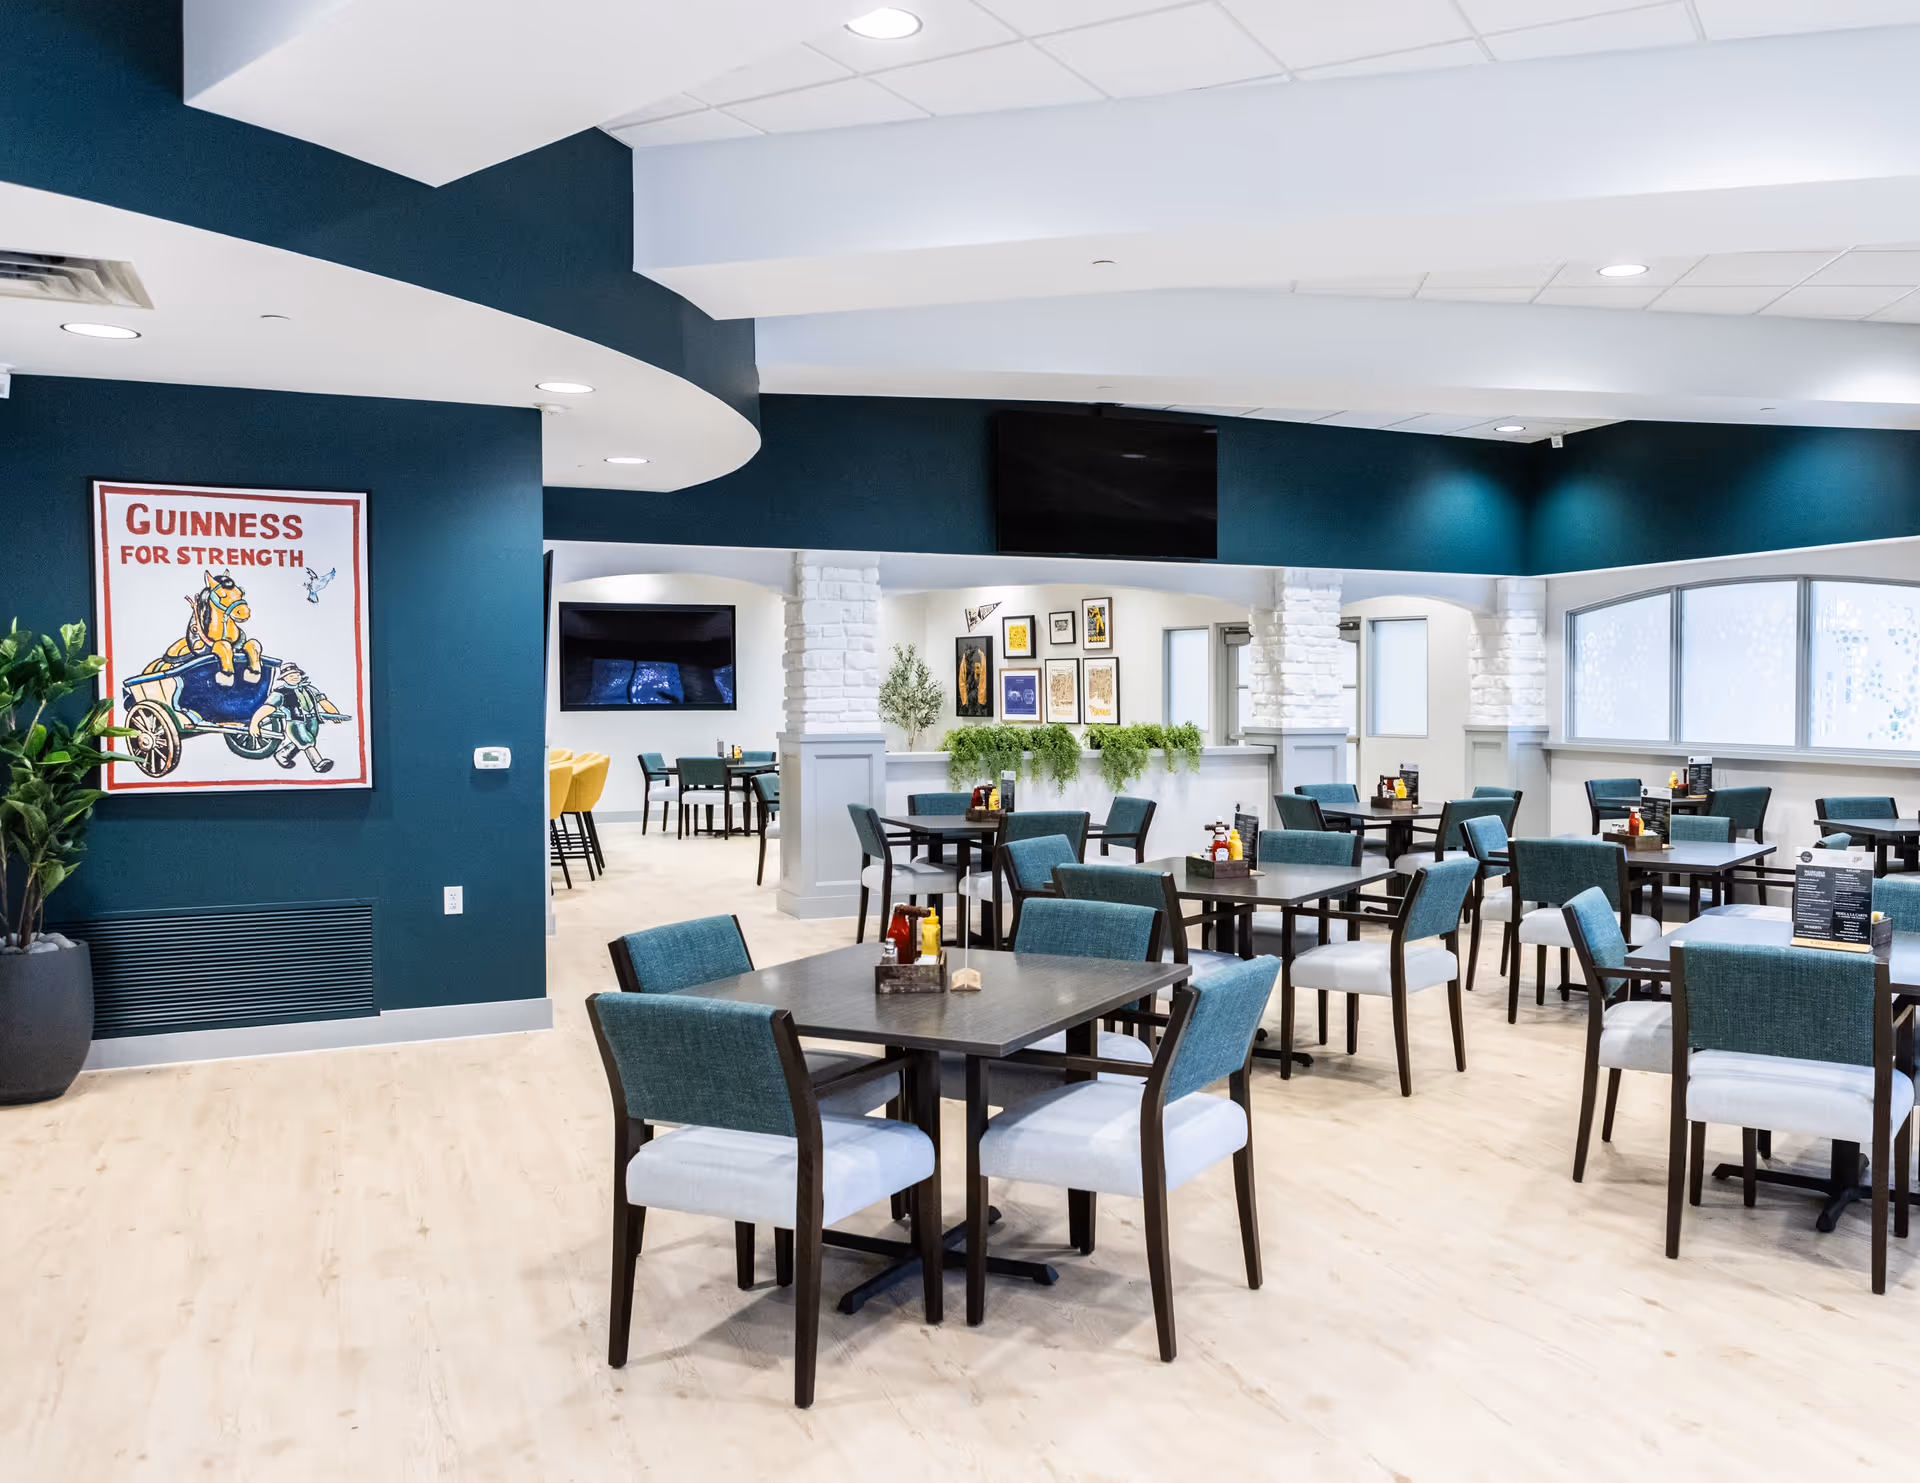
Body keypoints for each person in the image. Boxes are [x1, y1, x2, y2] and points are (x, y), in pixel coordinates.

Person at [247, 661, 341, 773]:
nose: (294, 677)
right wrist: (254, 723)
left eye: (296, 674)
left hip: (312, 721)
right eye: (290, 676)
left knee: (305, 740)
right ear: (284, 678)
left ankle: (282, 755)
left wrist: (334, 713)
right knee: (306, 740)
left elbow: (323, 701)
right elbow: (268, 707)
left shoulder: (310, 689)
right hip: (295, 723)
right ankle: (318, 764)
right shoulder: (280, 693)